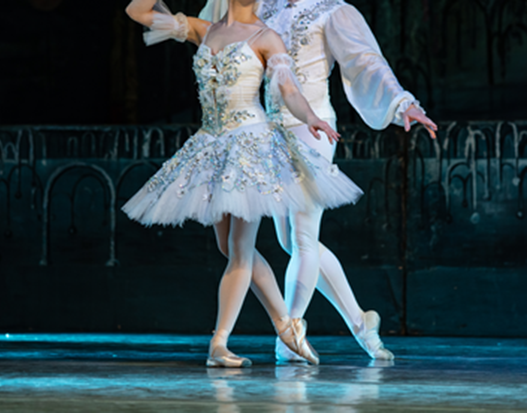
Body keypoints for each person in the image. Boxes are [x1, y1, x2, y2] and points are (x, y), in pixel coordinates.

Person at [123, 0, 364, 367]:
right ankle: (286, 325)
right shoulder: (205, 30)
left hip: (251, 147)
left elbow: (290, 91)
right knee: (229, 246)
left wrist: (311, 117)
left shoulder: (267, 37)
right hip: (212, 144)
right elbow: (137, 11)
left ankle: (219, 343)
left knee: (239, 248)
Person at [199, 0, 438, 362]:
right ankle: (361, 322)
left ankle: (290, 331)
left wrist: (402, 104)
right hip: (270, 131)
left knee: (303, 235)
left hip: (313, 128)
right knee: (288, 241)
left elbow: (365, 62)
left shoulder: (333, 11)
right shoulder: (264, 7)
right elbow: (217, 28)